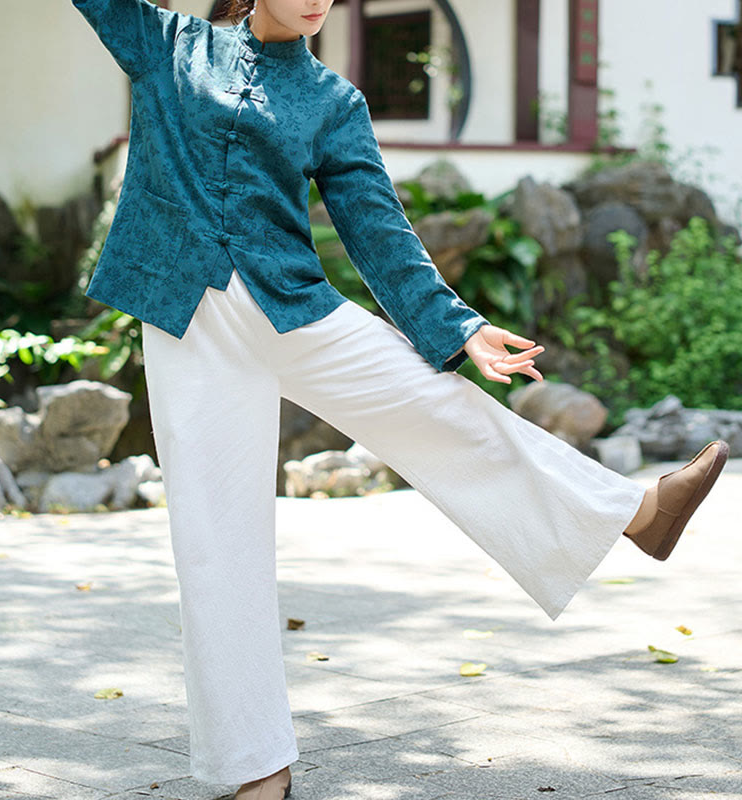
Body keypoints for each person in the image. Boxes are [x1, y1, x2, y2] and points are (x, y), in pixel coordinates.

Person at [70, 1, 730, 797]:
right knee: (215, 543)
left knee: (439, 400)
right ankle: (256, 772)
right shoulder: (168, 43)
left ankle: (634, 512)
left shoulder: (332, 101)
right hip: (185, 317)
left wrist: (461, 327)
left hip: (292, 308)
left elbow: (377, 227)